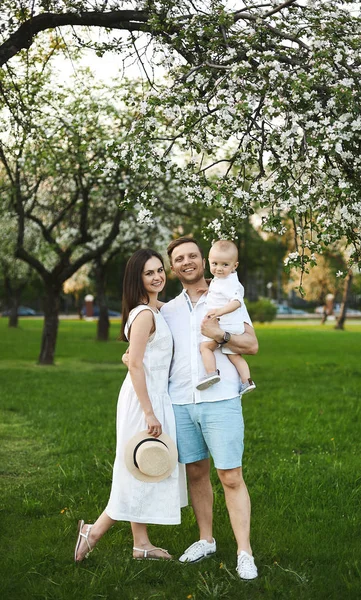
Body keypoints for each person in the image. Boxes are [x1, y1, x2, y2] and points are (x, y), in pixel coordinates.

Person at [133, 237, 259, 580]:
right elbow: (148, 348)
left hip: (221, 401)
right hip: (181, 404)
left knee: (230, 476)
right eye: (179, 259)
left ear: (203, 261)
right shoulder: (167, 310)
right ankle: (206, 540)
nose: (186, 262)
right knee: (196, 474)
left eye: (192, 256)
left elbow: (252, 344)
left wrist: (220, 336)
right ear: (173, 268)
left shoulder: (226, 297)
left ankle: (244, 552)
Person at [74, 249, 187, 563]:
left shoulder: (155, 309)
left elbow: (181, 309)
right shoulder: (145, 314)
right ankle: (93, 532)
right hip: (143, 399)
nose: (158, 277)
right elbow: (135, 365)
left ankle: (141, 544)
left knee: (144, 467)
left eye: (160, 270)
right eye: (149, 273)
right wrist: (149, 411)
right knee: (135, 468)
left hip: (154, 395)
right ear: (137, 279)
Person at [196, 239, 256, 395]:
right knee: (234, 355)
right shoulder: (223, 280)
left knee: (205, 347)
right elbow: (219, 287)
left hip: (225, 325)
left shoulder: (231, 284)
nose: (219, 269)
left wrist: (219, 311)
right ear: (208, 262)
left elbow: (237, 302)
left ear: (234, 266)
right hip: (231, 325)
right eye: (214, 264)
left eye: (225, 265)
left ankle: (211, 373)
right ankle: (247, 381)